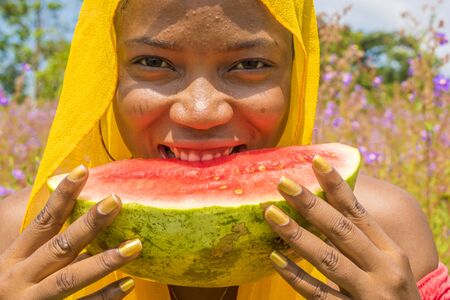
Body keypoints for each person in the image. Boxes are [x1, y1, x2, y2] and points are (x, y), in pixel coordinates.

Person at [0, 0, 448, 299]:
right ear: (104, 74)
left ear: (298, 74)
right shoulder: (13, 241)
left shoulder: (387, 233)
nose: (200, 111)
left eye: (250, 64)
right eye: (153, 62)